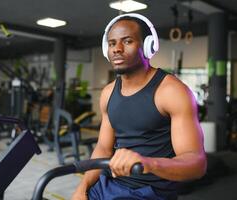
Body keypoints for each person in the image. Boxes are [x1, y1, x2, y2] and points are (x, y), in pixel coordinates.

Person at [71, 13, 207, 200]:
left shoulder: (171, 92)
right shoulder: (108, 93)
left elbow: (196, 163)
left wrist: (148, 163)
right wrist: (83, 187)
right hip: (107, 185)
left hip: (149, 192)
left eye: (127, 41)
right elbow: (103, 147)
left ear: (148, 46)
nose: (117, 49)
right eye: (112, 43)